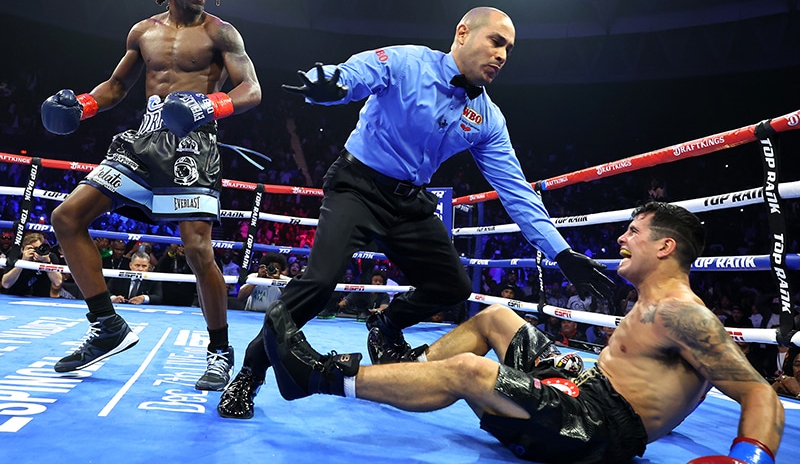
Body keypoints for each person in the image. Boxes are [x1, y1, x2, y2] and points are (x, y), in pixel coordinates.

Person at [218, 6, 614, 418]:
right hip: (358, 186)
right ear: (462, 33)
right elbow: (357, 73)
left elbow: (514, 188)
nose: (502, 56)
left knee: (453, 286)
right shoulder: (409, 62)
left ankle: (386, 327)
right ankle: (250, 373)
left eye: (509, 50)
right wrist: (331, 84)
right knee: (318, 284)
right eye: (496, 42)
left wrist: (561, 252)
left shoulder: (489, 119)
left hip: (410, 202)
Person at [263, 201, 785, 463]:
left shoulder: (683, 315)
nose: (623, 239)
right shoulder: (652, 303)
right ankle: (412, 373)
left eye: (634, 232)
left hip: (596, 428)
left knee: (471, 371)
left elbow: (759, 391)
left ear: (665, 248)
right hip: (581, 388)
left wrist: (749, 459)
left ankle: (316, 376)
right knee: (496, 316)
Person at [40, 0, 261, 390]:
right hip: (143, 141)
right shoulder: (144, 31)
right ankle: (107, 326)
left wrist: (208, 105)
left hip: (193, 145)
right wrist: (82, 105)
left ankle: (219, 351)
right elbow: (118, 86)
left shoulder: (222, 33)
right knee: (67, 217)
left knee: (198, 250)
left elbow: (251, 89)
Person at [1, 233, 63, 297]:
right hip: (15, 297)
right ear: (22, 250)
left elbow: (58, 282)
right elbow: (6, 284)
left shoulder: (49, 257)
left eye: (38, 248)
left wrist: (47, 263)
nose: (34, 252)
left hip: (41, 300)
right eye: (30, 248)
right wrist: (22, 262)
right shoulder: (15, 257)